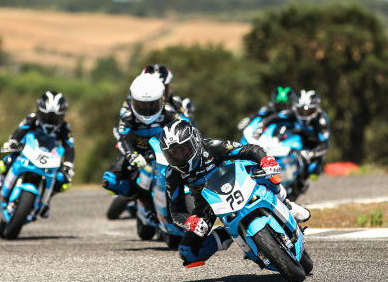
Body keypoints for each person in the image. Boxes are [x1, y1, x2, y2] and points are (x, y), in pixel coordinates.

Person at [159, 119, 311, 267]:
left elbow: (250, 150)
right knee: (187, 252)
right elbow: (176, 209)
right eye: (173, 153)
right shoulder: (172, 174)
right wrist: (189, 221)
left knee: (266, 173)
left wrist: (266, 160)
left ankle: (286, 203)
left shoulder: (212, 146)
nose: (179, 156)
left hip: (239, 177)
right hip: (207, 201)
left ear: (195, 142)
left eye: (183, 149)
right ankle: (229, 233)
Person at [0, 91, 76, 217]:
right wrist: (13, 142)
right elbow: (20, 131)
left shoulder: (65, 128)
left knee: (63, 179)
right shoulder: (32, 118)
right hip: (27, 150)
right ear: (39, 111)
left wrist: (68, 164)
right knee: (8, 160)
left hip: (50, 156)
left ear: (62, 116)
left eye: (55, 118)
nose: (51, 121)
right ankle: (0, 183)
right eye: (47, 116)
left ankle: (46, 200)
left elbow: (69, 147)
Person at [102, 73, 181, 207]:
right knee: (109, 181)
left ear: (162, 100)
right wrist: (132, 155)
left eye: (152, 104)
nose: (147, 109)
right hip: (137, 154)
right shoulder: (127, 117)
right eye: (142, 105)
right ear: (132, 101)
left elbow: (184, 129)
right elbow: (121, 138)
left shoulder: (170, 113)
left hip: (164, 154)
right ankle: (140, 201)